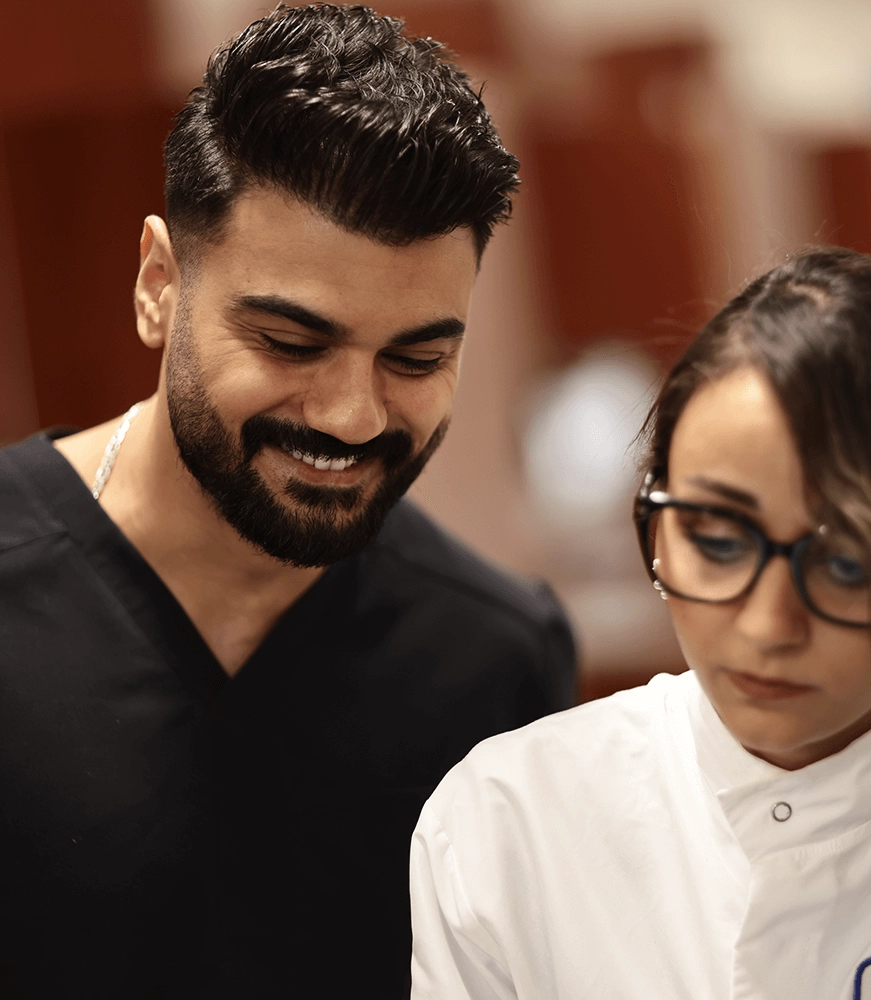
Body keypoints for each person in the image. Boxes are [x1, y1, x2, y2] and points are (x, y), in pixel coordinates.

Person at [0, 5, 575, 997]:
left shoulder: (497, 663)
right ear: (157, 286)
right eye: (291, 343)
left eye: (416, 356)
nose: (352, 416)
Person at [410, 247, 871, 999]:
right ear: (656, 526)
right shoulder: (508, 823)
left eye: (847, 564)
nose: (767, 624)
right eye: (718, 541)